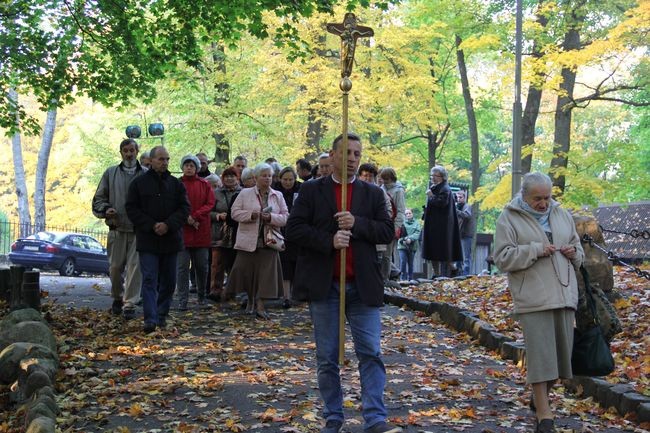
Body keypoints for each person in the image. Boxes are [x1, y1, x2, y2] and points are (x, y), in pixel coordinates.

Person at [286, 133, 401, 433]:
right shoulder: (311, 191)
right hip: (326, 287)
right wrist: (329, 240)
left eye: (357, 153)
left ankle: (375, 418)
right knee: (327, 357)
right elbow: (295, 229)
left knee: (370, 352)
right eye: (347, 152)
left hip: (362, 287)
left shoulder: (373, 194)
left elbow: (387, 231)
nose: (352, 158)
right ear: (333, 155)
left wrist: (357, 224)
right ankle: (333, 416)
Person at [493, 172, 584, 433]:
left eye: (547, 197)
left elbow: (578, 252)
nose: (544, 203)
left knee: (560, 361)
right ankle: (545, 417)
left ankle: (538, 398)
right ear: (524, 196)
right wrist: (534, 249)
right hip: (533, 297)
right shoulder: (508, 218)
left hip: (565, 294)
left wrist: (572, 252)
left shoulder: (561, 214)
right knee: (542, 358)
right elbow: (502, 258)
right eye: (537, 199)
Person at [125, 146, 190, 333]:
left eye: (167, 159)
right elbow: (132, 209)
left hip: (171, 240)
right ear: (151, 160)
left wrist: (168, 224)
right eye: (161, 159)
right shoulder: (139, 184)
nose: (165, 162)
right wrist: (152, 225)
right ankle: (150, 318)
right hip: (148, 240)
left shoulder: (176, 184)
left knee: (169, 281)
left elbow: (184, 208)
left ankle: (162, 314)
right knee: (149, 279)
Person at [92, 138, 147, 320]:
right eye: (126, 150)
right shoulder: (110, 173)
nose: (129, 153)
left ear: (137, 152)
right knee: (115, 268)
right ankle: (117, 297)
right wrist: (106, 210)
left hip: (138, 230)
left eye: (132, 150)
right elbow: (98, 198)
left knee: (134, 267)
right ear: (121, 152)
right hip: (116, 227)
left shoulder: (146, 175)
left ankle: (130, 303)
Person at [226, 163, 288, 319]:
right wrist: (251, 215)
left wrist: (271, 218)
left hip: (270, 241)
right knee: (245, 272)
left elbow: (286, 217)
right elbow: (234, 213)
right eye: (264, 175)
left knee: (266, 276)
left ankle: (260, 306)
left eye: (270, 175)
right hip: (248, 241)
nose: (267, 178)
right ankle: (250, 299)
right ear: (256, 177)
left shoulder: (277, 195)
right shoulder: (245, 193)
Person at [176, 154, 215, 310]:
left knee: (202, 266)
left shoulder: (205, 184)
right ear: (182, 167)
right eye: (186, 165)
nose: (189, 168)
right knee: (182, 268)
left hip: (201, 230)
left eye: (192, 165)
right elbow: (174, 204)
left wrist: (195, 216)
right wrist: (186, 218)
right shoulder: (177, 184)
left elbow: (210, 203)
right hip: (182, 232)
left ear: (197, 168)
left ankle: (201, 297)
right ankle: (182, 300)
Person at [208, 166, 242, 302]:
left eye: (232, 176)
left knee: (234, 264)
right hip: (218, 233)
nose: (229, 178)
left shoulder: (243, 192)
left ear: (237, 178)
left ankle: (231, 291)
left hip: (237, 233)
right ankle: (215, 290)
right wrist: (218, 216)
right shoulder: (215, 193)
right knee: (217, 263)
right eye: (227, 176)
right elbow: (208, 212)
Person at [421, 165, 462, 277]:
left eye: (435, 175)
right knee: (434, 251)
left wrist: (431, 196)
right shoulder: (436, 187)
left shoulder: (445, 189)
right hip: (434, 225)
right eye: (432, 175)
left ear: (442, 177)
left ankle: (453, 270)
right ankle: (436, 273)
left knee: (444, 250)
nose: (432, 177)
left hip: (441, 226)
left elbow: (441, 203)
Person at [272, 166, 301, 308]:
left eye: (290, 179)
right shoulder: (275, 191)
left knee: (297, 263)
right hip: (281, 231)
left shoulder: (301, 190)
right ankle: (286, 296)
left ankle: (297, 293)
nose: (288, 182)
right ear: (280, 179)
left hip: (297, 232)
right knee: (284, 264)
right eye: (285, 179)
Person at [379, 167, 405, 283]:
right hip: (381, 224)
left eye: (387, 179)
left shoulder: (398, 191)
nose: (384, 181)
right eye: (383, 179)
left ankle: (385, 278)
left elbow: (400, 211)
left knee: (387, 255)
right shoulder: (381, 188)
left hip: (392, 225)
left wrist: (395, 228)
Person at [397, 208, 421, 282]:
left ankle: (410, 278)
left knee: (411, 263)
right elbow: (398, 234)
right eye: (406, 214)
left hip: (412, 246)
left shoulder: (417, 223)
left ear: (412, 214)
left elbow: (417, 233)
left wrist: (410, 239)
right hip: (402, 246)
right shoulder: (401, 223)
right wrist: (404, 240)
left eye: (409, 213)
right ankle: (402, 279)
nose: (408, 215)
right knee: (403, 261)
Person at [455, 190, 475, 275]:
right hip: (459, 235)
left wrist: (456, 211)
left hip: (466, 234)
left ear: (464, 198)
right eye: (457, 197)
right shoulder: (458, 207)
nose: (458, 199)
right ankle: (458, 273)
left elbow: (467, 216)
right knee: (458, 255)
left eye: (460, 197)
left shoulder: (467, 206)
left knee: (466, 256)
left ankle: (466, 274)